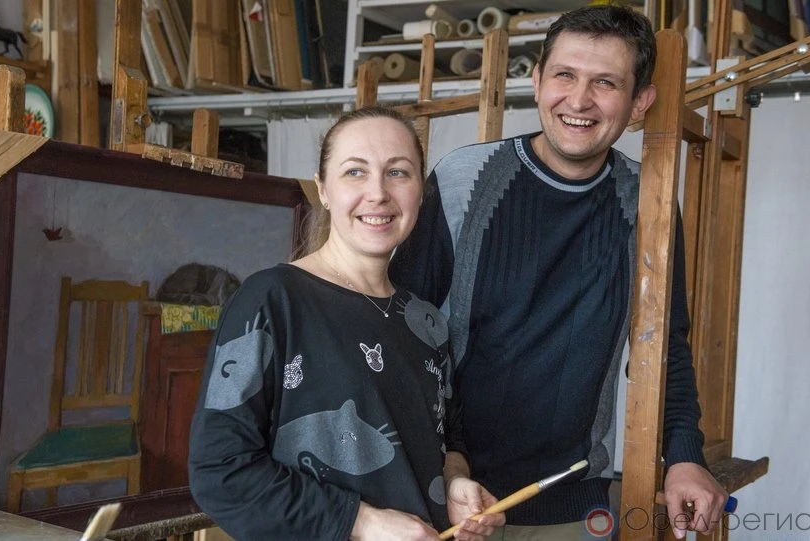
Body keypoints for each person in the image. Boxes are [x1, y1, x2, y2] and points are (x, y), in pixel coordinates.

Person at [389, 6, 728, 540]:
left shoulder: (648, 202)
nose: (579, 99)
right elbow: (399, 336)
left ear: (640, 103)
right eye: (565, 75)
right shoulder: (462, 181)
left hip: (569, 504)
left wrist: (684, 454)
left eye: (606, 83)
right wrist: (440, 470)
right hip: (447, 498)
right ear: (537, 80)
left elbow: (665, 346)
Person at [188, 106, 506, 541]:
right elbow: (220, 472)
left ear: (420, 192)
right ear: (323, 189)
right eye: (355, 172)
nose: (378, 193)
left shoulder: (427, 321)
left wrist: (455, 483)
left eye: (398, 173)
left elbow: (449, 439)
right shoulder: (271, 300)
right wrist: (363, 521)